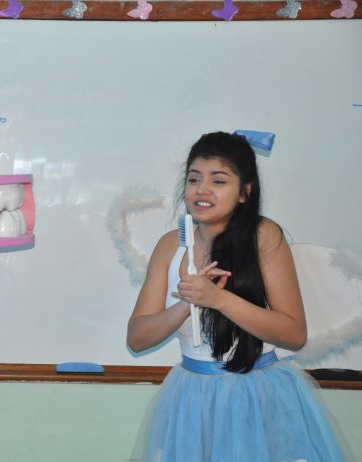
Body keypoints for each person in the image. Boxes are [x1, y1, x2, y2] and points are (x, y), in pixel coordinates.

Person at [126, 131, 352, 461]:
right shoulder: (170, 246)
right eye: (193, 179)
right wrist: (187, 303)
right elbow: (137, 338)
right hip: (193, 399)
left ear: (245, 192)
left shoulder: (264, 236)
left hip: (257, 396)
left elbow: (294, 334)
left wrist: (218, 299)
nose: (201, 190)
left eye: (218, 181)